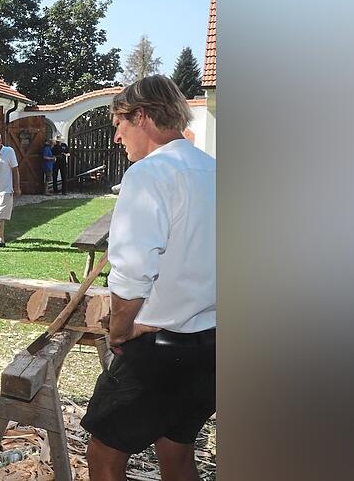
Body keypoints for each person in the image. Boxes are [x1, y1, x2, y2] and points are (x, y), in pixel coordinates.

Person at [81, 75, 216, 481]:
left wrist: (118, 331)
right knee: (176, 452)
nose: (118, 135)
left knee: (103, 453)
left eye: (119, 123)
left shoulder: (149, 175)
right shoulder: (213, 170)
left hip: (159, 350)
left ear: (142, 116)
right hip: (213, 347)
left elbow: (131, 276)